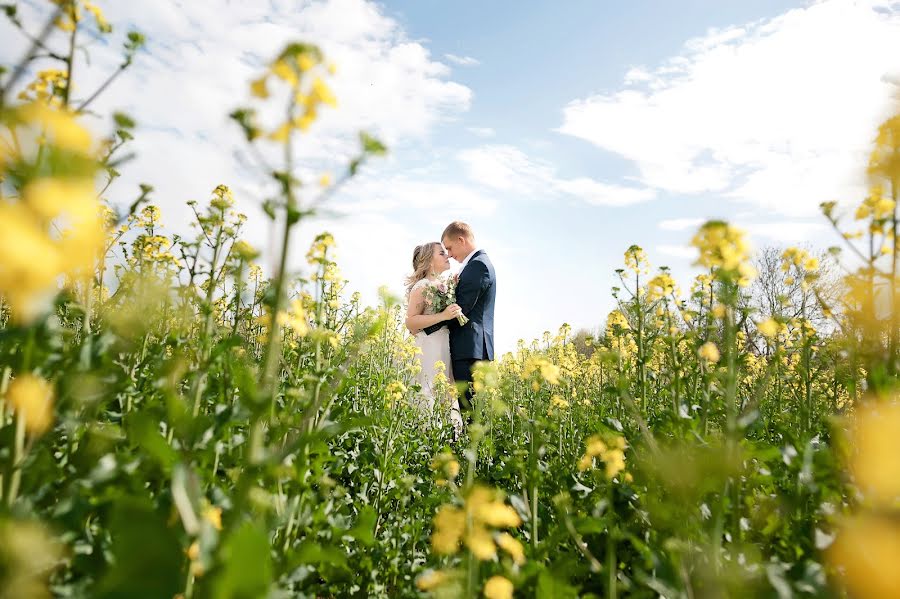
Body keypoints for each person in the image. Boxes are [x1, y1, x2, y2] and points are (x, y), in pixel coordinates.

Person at [423, 221, 496, 420]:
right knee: (469, 414)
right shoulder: (475, 265)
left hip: (471, 352)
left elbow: (459, 310)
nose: (450, 254)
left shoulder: (478, 266)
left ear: (461, 240)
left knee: (470, 415)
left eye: (450, 248)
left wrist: (425, 327)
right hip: (471, 349)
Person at [405, 242, 464, 431]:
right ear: (430, 261)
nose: (447, 256)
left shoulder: (444, 285)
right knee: (428, 389)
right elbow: (411, 323)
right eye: (442, 253)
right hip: (427, 347)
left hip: (443, 345)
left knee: (446, 391)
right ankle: (425, 435)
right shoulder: (422, 286)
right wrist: (443, 316)